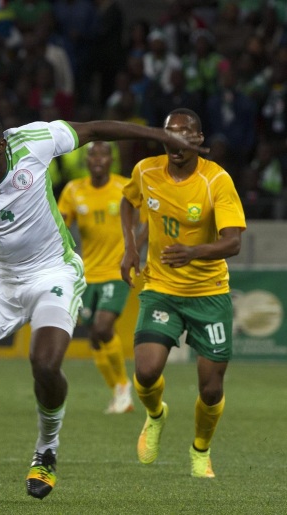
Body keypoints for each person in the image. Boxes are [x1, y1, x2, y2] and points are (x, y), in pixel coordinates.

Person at [0, 107, 207, 502]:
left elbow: (95, 127)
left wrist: (160, 135)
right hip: (0, 282)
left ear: (2, 143)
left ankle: (46, 448)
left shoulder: (33, 141)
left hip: (54, 274)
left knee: (45, 363)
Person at [120, 108, 245, 478]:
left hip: (210, 293)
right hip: (161, 287)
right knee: (145, 371)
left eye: (184, 134)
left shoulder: (216, 181)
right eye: (169, 134)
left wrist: (192, 253)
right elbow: (128, 202)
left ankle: (200, 449)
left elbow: (233, 243)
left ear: (198, 140)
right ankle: (156, 416)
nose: (175, 141)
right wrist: (129, 248)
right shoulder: (146, 171)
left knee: (209, 390)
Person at [58, 141, 141, 414]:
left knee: (104, 327)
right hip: (87, 274)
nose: (97, 159)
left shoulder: (124, 187)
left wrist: (134, 248)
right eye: (92, 154)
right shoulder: (73, 190)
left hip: (116, 272)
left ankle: (123, 389)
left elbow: (149, 218)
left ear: (111, 160)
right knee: (94, 336)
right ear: (86, 160)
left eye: (103, 154)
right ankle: (118, 389)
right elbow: (59, 227)